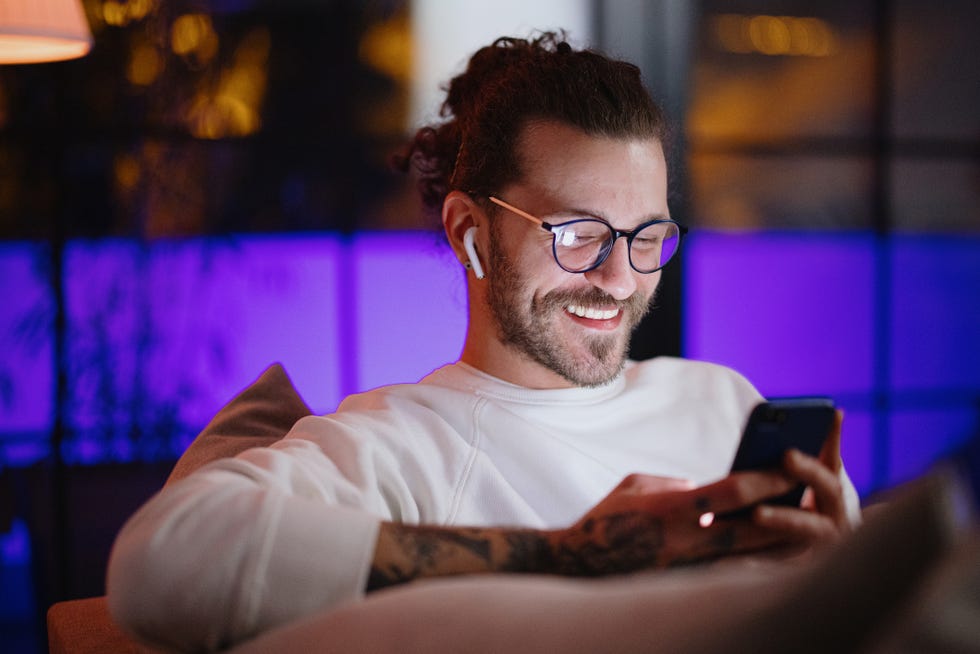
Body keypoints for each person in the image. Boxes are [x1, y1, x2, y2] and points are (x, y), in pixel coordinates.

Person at [107, 32, 861, 652]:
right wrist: (572, 557)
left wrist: (839, 570)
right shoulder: (397, 445)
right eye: (577, 234)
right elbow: (159, 564)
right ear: (471, 230)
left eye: (647, 237)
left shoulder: (723, 400)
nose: (621, 280)